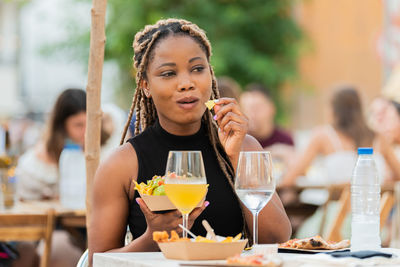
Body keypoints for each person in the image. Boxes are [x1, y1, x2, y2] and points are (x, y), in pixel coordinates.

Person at [89, 18, 291, 264]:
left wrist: (237, 156)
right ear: (146, 85)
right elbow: (96, 262)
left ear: (210, 73)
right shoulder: (121, 165)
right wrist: (153, 238)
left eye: (197, 69)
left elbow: (277, 238)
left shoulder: (244, 147)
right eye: (168, 73)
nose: (187, 83)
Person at [15, 88, 86, 267]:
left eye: (89, 123)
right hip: (48, 232)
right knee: (53, 249)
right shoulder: (35, 164)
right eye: (78, 125)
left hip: (87, 228)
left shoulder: (99, 150)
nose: (85, 131)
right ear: (61, 125)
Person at [281, 87, 400, 187]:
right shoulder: (378, 138)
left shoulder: (323, 136)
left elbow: (290, 179)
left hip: (336, 212)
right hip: (375, 211)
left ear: (333, 110)